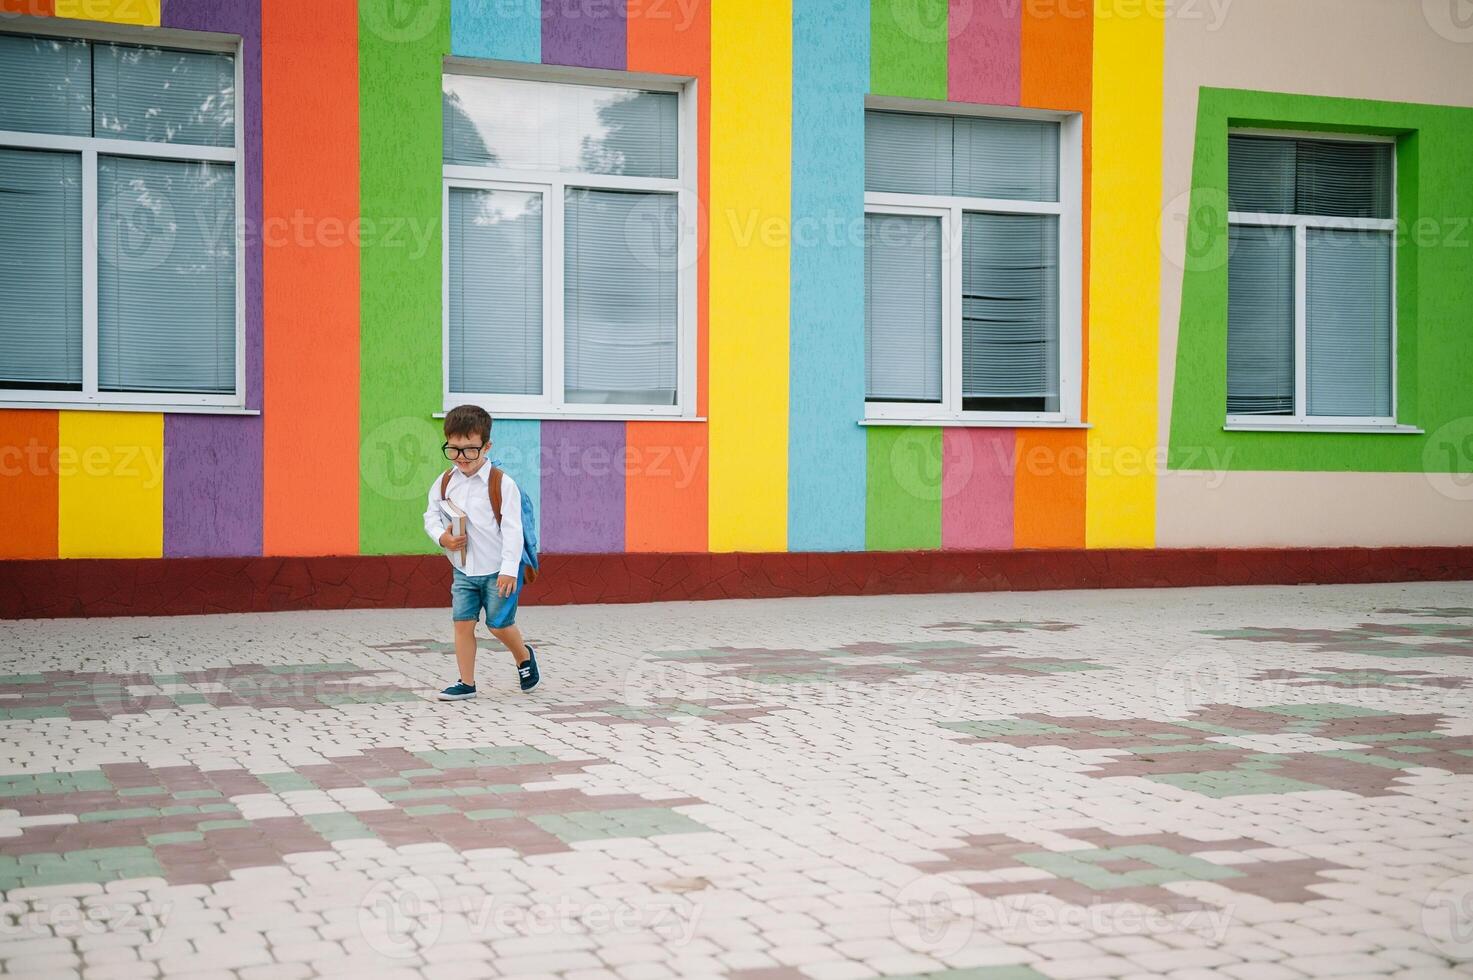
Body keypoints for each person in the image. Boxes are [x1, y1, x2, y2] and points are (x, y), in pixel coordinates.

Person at [423, 404, 540, 700]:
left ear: (486, 446)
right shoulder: (445, 482)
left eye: (470, 450)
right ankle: (466, 682)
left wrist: (508, 570)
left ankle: (523, 656)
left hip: (497, 571)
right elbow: (431, 517)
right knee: (462, 624)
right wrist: (442, 538)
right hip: (463, 569)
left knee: (499, 625)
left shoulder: (502, 483)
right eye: (454, 449)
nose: (461, 458)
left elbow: (513, 530)